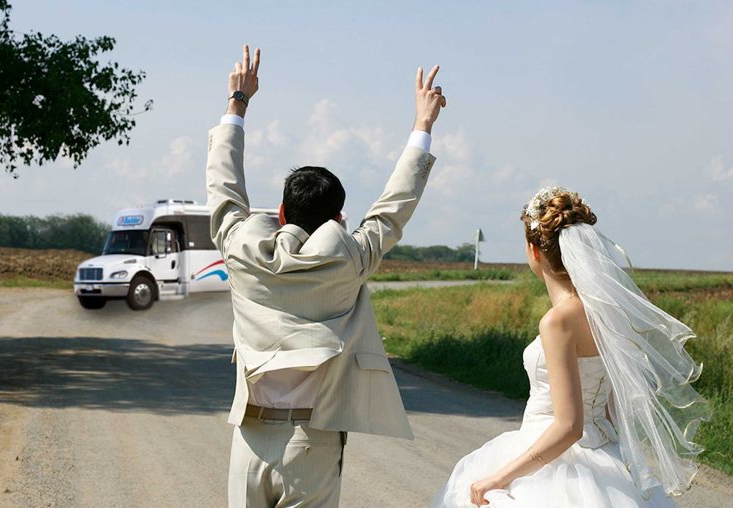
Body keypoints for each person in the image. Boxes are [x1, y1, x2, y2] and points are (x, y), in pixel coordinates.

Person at [206, 45, 446, 507]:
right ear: (339, 217)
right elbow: (393, 209)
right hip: (311, 441)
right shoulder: (350, 259)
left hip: (249, 438)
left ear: (280, 212)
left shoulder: (240, 248)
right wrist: (423, 126)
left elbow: (223, 186)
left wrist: (238, 101)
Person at [431, 186, 710, 507]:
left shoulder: (557, 321)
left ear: (534, 251)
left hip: (551, 459)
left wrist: (500, 478)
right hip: (605, 453)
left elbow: (569, 427)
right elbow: (607, 406)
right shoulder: (608, 313)